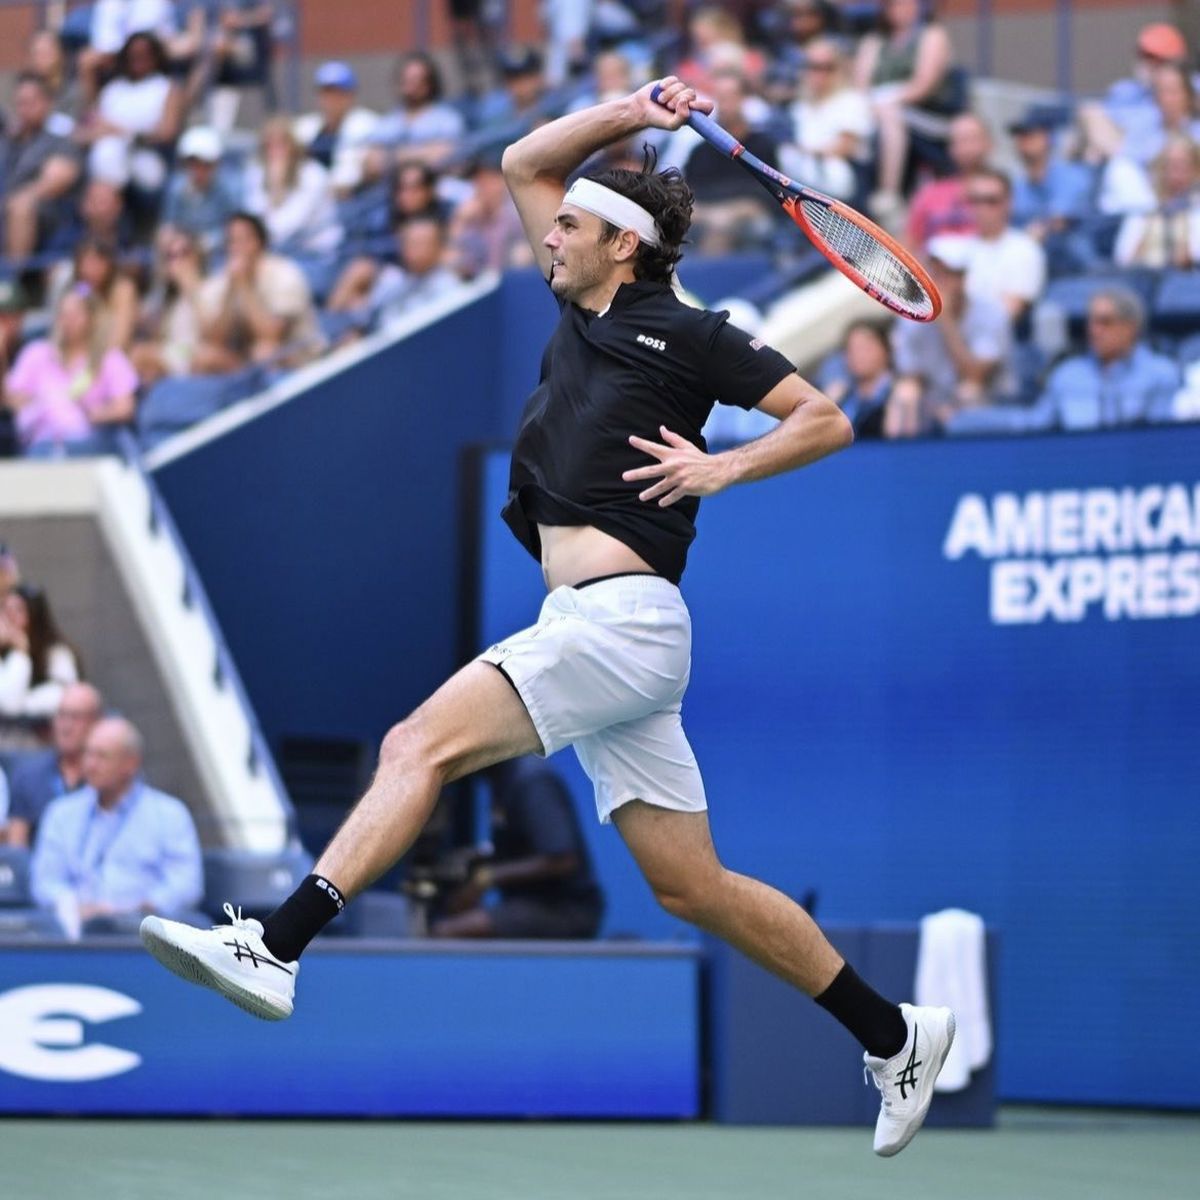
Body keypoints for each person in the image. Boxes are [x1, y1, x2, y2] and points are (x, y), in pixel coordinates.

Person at [140, 76, 955, 1159]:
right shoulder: (580, 308)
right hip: (611, 631)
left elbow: (826, 419)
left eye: (572, 225)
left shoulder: (698, 335)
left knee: (413, 745)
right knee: (690, 886)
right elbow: (525, 160)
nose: (549, 233)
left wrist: (723, 466)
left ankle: (278, 947)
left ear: (623, 245)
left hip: (620, 624)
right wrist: (634, 108)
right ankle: (895, 1032)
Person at [31, 716, 204, 938]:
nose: (90, 765)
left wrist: (134, 910)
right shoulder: (60, 813)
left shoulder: (170, 814)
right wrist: (71, 905)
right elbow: (45, 881)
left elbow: (186, 885)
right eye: (88, 753)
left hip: (142, 940)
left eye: (101, 756)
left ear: (130, 763)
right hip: (73, 936)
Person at [948, 287, 1179, 434]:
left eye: (1105, 322)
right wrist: (965, 420)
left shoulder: (1160, 374)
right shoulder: (1068, 375)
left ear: (1131, 328)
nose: (1094, 331)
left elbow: (1160, 443)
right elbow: (1032, 424)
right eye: (1091, 322)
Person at [431, 757, 605, 938]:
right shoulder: (500, 778)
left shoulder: (532, 781)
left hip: (564, 909)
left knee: (445, 931)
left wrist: (485, 879)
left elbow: (563, 860)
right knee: (451, 915)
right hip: (528, 902)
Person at [888, 234, 1013, 435]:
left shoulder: (991, 313)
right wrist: (936, 409)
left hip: (990, 401)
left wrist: (945, 321)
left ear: (963, 277)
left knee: (969, 392)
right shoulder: (912, 318)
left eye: (948, 274)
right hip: (933, 404)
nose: (940, 281)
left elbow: (975, 375)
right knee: (905, 393)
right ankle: (903, 459)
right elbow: (910, 374)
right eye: (935, 273)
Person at [4, 286, 139, 456]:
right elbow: (10, 397)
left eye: (75, 314)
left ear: (91, 318)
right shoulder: (38, 353)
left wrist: (93, 413)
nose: (68, 321)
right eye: (63, 314)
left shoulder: (109, 358)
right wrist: (40, 403)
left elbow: (125, 407)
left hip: (90, 441)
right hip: (42, 443)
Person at [854, 0, 956, 215]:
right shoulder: (873, 41)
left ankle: (889, 192)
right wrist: (875, 104)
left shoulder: (931, 35)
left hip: (926, 114)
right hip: (875, 110)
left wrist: (888, 99)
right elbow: (860, 87)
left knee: (890, 113)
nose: (899, 8)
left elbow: (923, 86)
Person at [193, 211, 325, 372]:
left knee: (264, 351)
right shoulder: (225, 281)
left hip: (300, 356)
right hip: (250, 362)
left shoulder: (284, 273)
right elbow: (215, 341)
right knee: (205, 356)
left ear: (260, 242)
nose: (236, 248)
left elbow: (272, 335)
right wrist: (230, 292)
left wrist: (243, 285)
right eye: (231, 242)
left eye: (243, 240)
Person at [682, 69, 780, 252]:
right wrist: (713, 217)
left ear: (744, 99)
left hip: (748, 218)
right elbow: (687, 199)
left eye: (731, 96)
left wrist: (733, 213)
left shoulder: (763, 146)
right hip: (706, 220)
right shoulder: (700, 151)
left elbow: (772, 198)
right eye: (721, 97)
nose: (726, 104)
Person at [76, 32, 184, 194]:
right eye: (133, 54)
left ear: (156, 56)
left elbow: (167, 133)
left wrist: (124, 133)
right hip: (106, 156)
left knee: (109, 152)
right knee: (104, 152)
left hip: (147, 157)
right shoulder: (113, 88)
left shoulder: (166, 87)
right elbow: (90, 123)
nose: (138, 59)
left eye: (144, 54)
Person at [3, 682, 104, 847]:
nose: (66, 726)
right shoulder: (29, 775)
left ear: (96, 722)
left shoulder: (110, 776)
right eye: (61, 715)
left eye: (76, 717)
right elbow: (17, 851)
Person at [1, 72, 83, 260]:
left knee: (20, 207)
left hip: (45, 216)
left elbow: (59, 177)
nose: (24, 109)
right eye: (20, 103)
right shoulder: (8, 142)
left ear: (48, 103)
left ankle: (10, 282)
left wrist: (19, 198)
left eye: (31, 102)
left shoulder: (59, 141)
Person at [778, 38, 873, 201]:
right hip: (803, 179)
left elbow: (844, 147)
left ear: (839, 69)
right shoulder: (798, 106)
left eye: (827, 68)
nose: (819, 74)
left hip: (844, 182)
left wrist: (805, 151)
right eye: (813, 67)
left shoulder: (852, 101)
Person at [243, 116, 343, 258]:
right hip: (275, 252)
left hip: (314, 254)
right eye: (269, 146)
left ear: (294, 147)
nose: (275, 152)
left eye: (281, 145)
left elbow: (285, 227)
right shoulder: (257, 172)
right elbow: (254, 219)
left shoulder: (313, 175)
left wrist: (275, 189)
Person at [959, 168, 1046, 322]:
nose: (982, 208)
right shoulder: (953, 247)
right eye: (975, 200)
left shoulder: (1025, 249)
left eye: (991, 200)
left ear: (1009, 203)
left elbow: (1007, 314)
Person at [904, 111, 991, 249]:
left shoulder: (1002, 194)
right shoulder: (930, 194)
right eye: (961, 140)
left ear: (989, 143)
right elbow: (909, 244)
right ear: (951, 148)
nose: (968, 148)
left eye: (973, 139)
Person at [293, 61, 380, 197]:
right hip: (309, 199)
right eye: (326, 92)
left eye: (338, 92)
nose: (331, 99)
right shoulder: (304, 126)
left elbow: (348, 179)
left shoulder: (367, 124)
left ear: (351, 94)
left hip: (352, 201)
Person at [131, 230, 208, 383]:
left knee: (142, 354)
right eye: (171, 257)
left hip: (197, 352)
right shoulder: (169, 297)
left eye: (184, 254)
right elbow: (158, 336)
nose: (177, 261)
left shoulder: (211, 286)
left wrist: (190, 288)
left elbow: (210, 331)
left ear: (197, 256)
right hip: (175, 352)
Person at [1114, 135, 1200, 267]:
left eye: (1183, 165)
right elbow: (1123, 258)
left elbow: (1194, 257)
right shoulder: (1144, 206)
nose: (1176, 173)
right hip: (1143, 276)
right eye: (1170, 165)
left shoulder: (1196, 210)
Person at [0, 585, 82, 718]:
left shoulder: (56, 653)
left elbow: (67, 697)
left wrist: (21, 652)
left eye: (18, 610)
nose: (10, 617)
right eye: (5, 610)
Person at [371, 52, 466, 167]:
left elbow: (445, 157)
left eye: (416, 79)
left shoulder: (447, 120)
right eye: (405, 79)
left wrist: (392, 156)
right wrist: (422, 153)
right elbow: (371, 163)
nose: (410, 84)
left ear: (429, 84)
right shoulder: (387, 122)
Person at [161, 125, 240, 254]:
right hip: (183, 246)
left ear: (215, 165)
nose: (199, 171)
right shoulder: (176, 188)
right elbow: (169, 222)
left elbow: (231, 227)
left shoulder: (226, 191)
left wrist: (208, 241)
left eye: (205, 165)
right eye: (194, 164)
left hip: (216, 252)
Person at [822, 321, 894, 438]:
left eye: (865, 348)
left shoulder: (900, 394)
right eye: (852, 349)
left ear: (885, 350)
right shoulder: (842, 397)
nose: (858, 355)